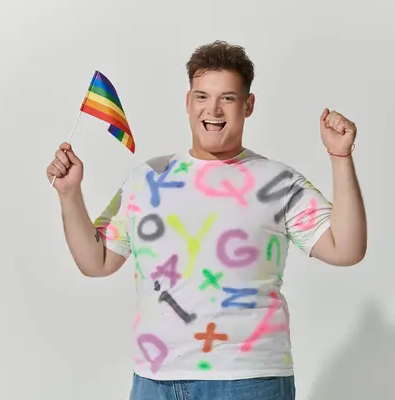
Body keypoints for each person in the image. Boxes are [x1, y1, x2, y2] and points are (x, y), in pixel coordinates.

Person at [46, 40, 367, 400]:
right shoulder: (147, 178)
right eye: (202, 96)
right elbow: (97, 262)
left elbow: (347, 248)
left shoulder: (278, 181)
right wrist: (70, 194)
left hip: (249, 379)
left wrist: (340, 157)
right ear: (187, 102)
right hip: (155, 380)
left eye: (227, 98)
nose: (212, 109)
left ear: (248, 105)